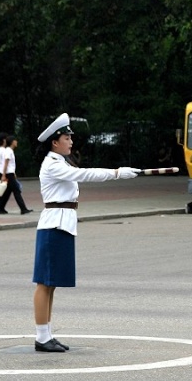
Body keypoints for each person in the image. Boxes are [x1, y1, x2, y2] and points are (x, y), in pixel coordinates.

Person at [32, 113, 141, 352]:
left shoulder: (60, 162)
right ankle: (41, 337)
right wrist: (116, 173)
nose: (71, 141)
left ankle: (47, 334)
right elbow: (84, 174)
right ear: (55, 142)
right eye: (67, 137)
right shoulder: (52, 164)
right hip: (54, 225)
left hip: (62, 223)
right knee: (44, 283)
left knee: (52, 284)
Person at [0, 134, 33, 215]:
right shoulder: (8, 151)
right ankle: (23, 209)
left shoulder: (8, 150)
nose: (16, 142)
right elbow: (6, 163)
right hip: (8, 174)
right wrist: (4, 175)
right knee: (16, 191)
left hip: (9, 173)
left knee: (7, 191)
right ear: (12, 142)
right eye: (15, 141)